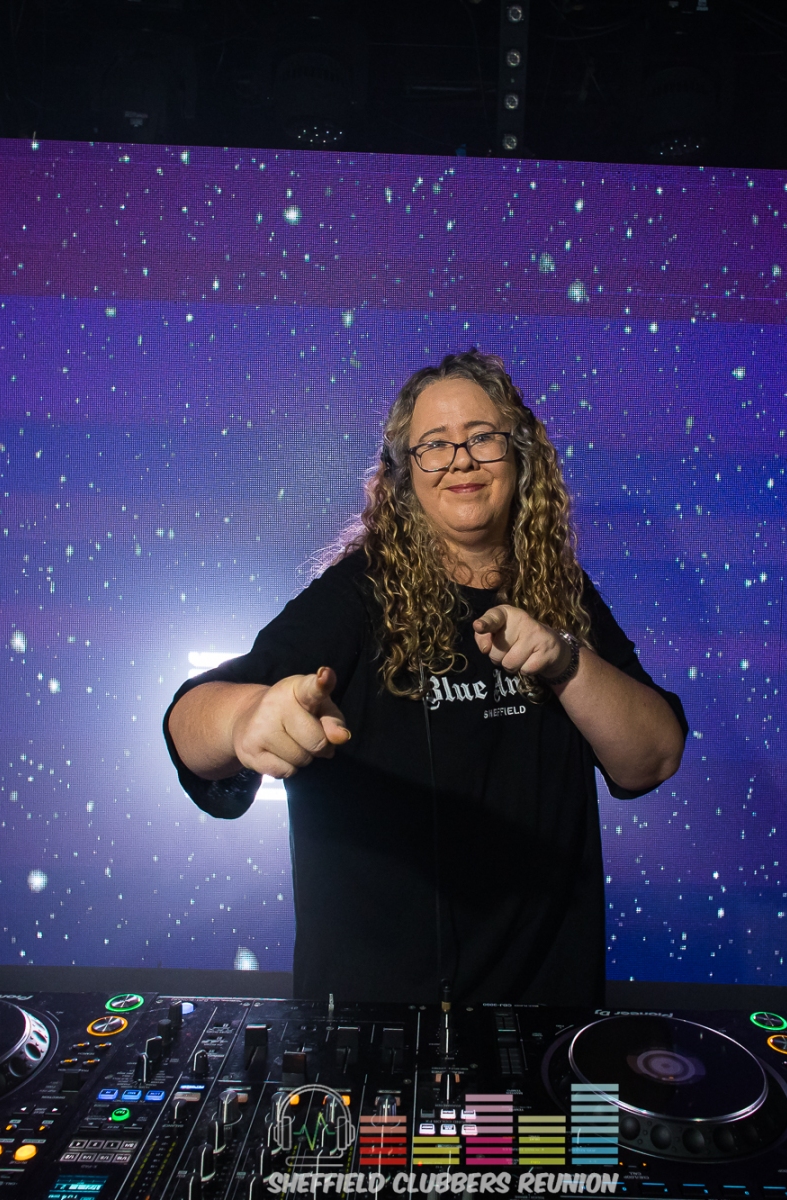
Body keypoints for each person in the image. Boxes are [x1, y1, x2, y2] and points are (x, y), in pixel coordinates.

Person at [164, 349, 686, 1005]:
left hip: (550, 1023)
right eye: (434, 446)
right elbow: (189, 726)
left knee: (566, 1089)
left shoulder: (564, 592)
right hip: (378, 1032)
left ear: (520, 456)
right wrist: (245, 717)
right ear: (405, 475)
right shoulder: (356, 597)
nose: (460, 460)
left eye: (482, 438)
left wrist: (566, 660)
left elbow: (653, 757)